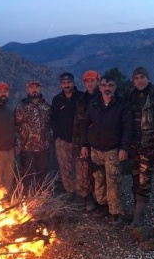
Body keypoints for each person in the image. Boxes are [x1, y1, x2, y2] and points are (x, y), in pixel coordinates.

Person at [80, 75, 133, 227]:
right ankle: (102, 205)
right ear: (100, 87)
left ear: (115, 87)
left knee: (113, 181)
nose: (107, 88)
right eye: (104, 85)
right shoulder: (94, 103)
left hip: (113, 149)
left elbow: (128, 127)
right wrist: (84, 145)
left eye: (110, 85)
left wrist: (124, 148)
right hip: (95, 148)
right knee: (99, 179)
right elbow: (85, 124)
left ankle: (115, 213)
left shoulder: (122, 104)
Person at [126, 66, 154, 228]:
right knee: (135, 177)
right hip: (133, 145)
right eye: (136, 78)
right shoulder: (130, 95)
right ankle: (136, 210)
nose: (139, 80)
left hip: (150, 146)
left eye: (142, 77)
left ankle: (139, 217)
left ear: (148, 78)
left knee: (145, 180)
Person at [14, 80, 52, 193]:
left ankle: (42, 200)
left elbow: (52, 124)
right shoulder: (21, 107)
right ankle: (28, 202)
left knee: (43, 176)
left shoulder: (47, 107)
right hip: (27, 149)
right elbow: (15, 126)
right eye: (31, 87)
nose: (34, 89)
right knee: (27, 177)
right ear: (27, 90)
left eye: (36, 87)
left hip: (43, 149)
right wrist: (18, 142)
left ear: (40, 89)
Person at [50, 72, 83, 198]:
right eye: (64, 83)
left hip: (79, 140)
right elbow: (53, 119)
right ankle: (70, 192)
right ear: (61, 85)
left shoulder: (81, 97)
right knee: (65, 168)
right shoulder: (57, 100)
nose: (66, 85)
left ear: (73, 83)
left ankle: (82, 193)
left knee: (81, 169)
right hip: (62, 141)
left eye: (68, 82)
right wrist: (57, 136)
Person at [72, 70, 100, 210]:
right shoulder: (81, 100)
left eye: (92, 80)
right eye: (87, 81)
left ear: (98, 81)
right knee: (84, 171)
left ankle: (101, 201)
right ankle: (87, 197)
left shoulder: (103, 98)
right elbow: (78, 124)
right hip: (84, 141)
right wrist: (79, 144)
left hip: (100, 142)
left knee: (99, 172)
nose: (90, 83)